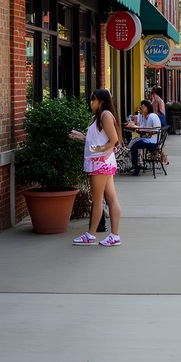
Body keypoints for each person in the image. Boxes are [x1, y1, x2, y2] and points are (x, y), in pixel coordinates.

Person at [69, 88, 122, 246]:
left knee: (97, 200)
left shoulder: (105, 115)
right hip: (102, 162)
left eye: (93, 100)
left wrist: (99, 151)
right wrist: (83, 137)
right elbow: (100, 139)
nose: (91, 102)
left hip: (100, 163)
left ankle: (91, 234)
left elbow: (114, 140)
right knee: (110, 198)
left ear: (102, 102)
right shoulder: (100, 116)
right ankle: (114, 235)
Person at [125, 99, 165, 175]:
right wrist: (136, 126)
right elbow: (144, 127)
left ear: (147, 108)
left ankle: (135, 166)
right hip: (153, 140)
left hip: (152, 141)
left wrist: (134, 126)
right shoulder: (148, 116)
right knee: (135, 142)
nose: (142, 109)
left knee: (134, 145)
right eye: (141, 107)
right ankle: (136, 164)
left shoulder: (150, 117)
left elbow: (146, 129)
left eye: (143, 107)